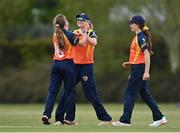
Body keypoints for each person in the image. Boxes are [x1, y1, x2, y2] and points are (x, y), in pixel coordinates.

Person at [55, 13, 112, 126]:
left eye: (82, 19)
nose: (79, 21)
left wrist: (85, 34)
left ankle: (106, 118)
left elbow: (94, 42)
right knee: (67, 91)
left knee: (90, 93)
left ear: (87, 22)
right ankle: (62, 119)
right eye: (78, 19)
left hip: (86, 66)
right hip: (73, 65)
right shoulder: (75, 32)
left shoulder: (91, 32)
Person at [112, 15, 167, 127]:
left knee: (129, 93)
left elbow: (146, 54)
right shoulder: (137, 36)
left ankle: (125, 120)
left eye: (131, 23)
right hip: (136, 67)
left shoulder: (141, 37)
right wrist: (130, 62)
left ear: (137, 24)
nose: (130, 25)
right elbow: (139, 54)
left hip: (140, 68)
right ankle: (159, 117)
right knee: (145, 94)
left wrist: (146, 72)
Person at [42, 14, 88, 125]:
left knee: (52, 92)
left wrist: (74, 34)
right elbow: (82, 43)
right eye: (66, 20)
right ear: (64, 23)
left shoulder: (55, 34)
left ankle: (46, 114)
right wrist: (85, 31)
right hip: (67, 64)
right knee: (69, 92)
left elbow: (65, 38)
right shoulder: (69, 35)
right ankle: (69, 118)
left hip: (56, 64)